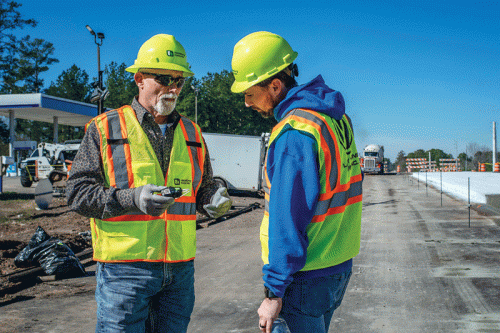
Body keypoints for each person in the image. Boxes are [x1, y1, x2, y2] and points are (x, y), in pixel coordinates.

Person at [67, 34, 232, 333]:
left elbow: (202, 185)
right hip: (125, 271)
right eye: (164, 78)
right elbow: (77, 193)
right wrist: (132, 198)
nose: (173, 88)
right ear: (140, 79)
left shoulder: (193, 133)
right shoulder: (105, 127)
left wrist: (212, 198)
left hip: (180, 271)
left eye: (179, 81)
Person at [230, 31, 363, 333]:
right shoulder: (335, 119)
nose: (247, 103)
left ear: (274, 85)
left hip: (304, 277)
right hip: (337, 265)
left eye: (249, 93)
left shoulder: (294, 132)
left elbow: (287, 219)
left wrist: (274, 292)